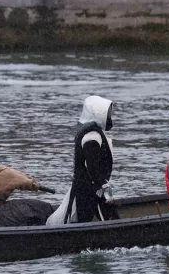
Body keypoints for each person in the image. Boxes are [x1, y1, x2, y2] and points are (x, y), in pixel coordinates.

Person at [47, 96, 119, 225]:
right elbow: (93, 168)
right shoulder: (91, 137)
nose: (109, 117)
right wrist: (103, 189)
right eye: (107, 114)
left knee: (97, 217)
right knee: (103, 220)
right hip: (90, 190)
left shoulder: (94, 133)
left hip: (93, 188)